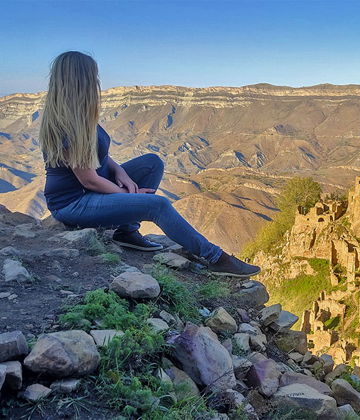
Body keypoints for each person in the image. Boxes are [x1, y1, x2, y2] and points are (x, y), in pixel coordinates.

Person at [40, 51, 259, 277]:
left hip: (94, 186)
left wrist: (121, 173)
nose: (97, 81)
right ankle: (217, 258)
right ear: (82, 80)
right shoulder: (67, 125)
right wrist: (128, 196)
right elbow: (89, 180)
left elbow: (98, 157)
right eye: (93, 76)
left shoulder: (81, 116)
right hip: (74, 203)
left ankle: (127, 232)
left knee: (152, 163)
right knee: (157, 205)